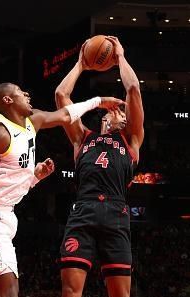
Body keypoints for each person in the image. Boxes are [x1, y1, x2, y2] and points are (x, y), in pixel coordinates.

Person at [0, 82, 125, 297]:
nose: (26, 93)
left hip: (4, 214)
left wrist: (34, 176)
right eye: (19, 92)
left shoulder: (32, 122)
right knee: (9, 292)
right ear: (8, 100)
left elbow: (65, 114)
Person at [55, 36, 144, 297]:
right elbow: (61, 95)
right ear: (104, 116)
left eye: (123, 112)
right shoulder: (83, 137)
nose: (119, 112)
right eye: (114, 110)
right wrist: (81, 64)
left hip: (117, 213)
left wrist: (120, 57)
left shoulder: (131, 139)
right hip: (83, 210)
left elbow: (134, 90)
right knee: (70, 292)